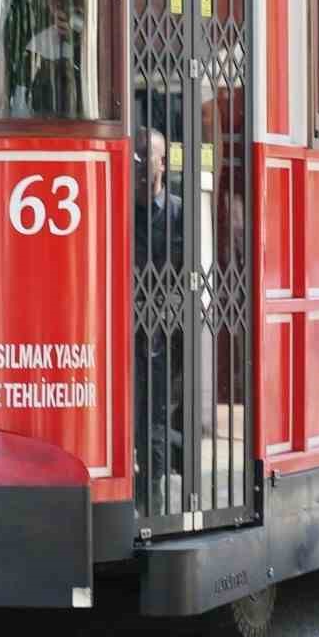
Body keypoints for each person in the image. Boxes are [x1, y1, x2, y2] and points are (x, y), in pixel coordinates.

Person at [133, 127, 183, 515]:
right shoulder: (120, 208)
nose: (135, 163)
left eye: (143, 156)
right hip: (125, 327)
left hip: (164, 331)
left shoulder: (180, 211)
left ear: (162, 163)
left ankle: (154, 495)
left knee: (157, 415)